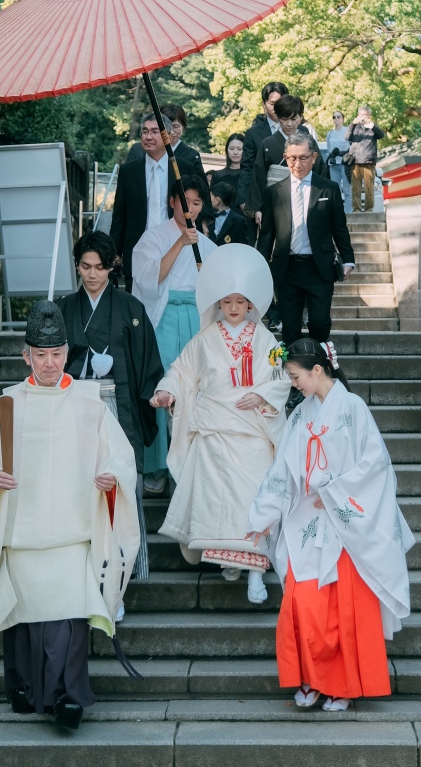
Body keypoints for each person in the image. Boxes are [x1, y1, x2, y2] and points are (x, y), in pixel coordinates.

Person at [0, 301, 139, 729]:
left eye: (56, 354)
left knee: (68, 622)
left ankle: (67, 699)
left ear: (67, 351)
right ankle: (27, 690)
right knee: (25, 620)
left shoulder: (90, 402)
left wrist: (111, 479)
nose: (50, 363)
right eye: (41, 355)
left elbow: (119, 458)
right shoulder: (6, 407)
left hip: (73, 534)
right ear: (26, 356)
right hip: (23, 533)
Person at [247, 338, 414, 712]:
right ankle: (309, 678)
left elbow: (376, 465)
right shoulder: (300, 415)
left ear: (317, 370)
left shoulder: (352, 408)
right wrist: (263, 516)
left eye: (296, 376)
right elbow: (282, 472)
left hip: (344, 525)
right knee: (302, 604)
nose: (294, 384)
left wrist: (337, 493)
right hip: (308, 518)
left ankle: (340, 685)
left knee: (341, 609)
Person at [150, 245, 291, 604]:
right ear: (217, 303)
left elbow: (281, 374)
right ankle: (227, 559)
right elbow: (181, 371)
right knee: (218, 502)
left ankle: (255, 572)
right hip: (215, 428)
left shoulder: (267, 339)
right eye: (226, 301)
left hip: (253, 429)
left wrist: (263, 396)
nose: (232, 308)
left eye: (240, 302)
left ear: (250, 305)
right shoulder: (204, 338)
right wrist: (168, 391)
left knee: (254, 500)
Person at [56, 230, 164, 580]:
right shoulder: (64, 308)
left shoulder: (130, 307)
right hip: (76, 405)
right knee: (80, 483)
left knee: (120, 480)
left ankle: (126, 568)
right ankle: (85, 569)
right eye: (85, 267)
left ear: (111, 268)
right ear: (77, 267)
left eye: (99, 268)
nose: (92, 274)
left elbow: (147, 360)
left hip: (118, 404)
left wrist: (154, 393)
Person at [132, 175, 217, 494]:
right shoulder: (154, 238)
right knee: (163, 386)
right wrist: (180, 242)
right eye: (185, 202)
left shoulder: (207, 246)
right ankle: (157, 466)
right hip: (164, 317)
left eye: (197, 203)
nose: (191, 209)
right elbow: (148, 279)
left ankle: (193, 464)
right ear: (172, 202)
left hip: (197, 319)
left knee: (196, 389)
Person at [257, 131, 355, 346]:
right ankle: (295, 376)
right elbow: (267, 234)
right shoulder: (275, 192)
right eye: (292, 158)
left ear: (314, 157)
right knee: (290, 327)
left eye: (303, 158)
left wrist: (348, 259)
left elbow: (339, 227)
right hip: (286, 268)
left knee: (320, 323)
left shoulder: (328, 188)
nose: (297, 164)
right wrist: (259, 267)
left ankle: (319, 367)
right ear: (285, 157)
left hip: (319, 267)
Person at [110, 111, 206, 292]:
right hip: (139, 248)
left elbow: (196, 207)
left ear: (168, 137)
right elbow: (120, 215)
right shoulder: (129, 171)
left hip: (176, 243)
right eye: (144, 132)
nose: (148, 136)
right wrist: (114, 251)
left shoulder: (184, 168)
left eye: (155, 131)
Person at [246, 95, 328, 224]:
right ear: (278, 118)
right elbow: (259, 176)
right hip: (275, 200)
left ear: (300, 118)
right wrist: (257, 208)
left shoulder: (309, 142)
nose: (289, 124)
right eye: (284, 119)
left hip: (305, 198)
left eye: (293, 119)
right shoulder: (268, 144)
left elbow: (319, 170)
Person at [237, 82, 289, 219]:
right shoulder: (253, 134)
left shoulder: (300, 130)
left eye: (280, 103)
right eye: (272, 104)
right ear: (264, 104)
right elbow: (247, 168)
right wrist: (244, 200)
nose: (277, 108)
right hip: (263, 198)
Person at [126, 104, 205, 177]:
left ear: (183, 127)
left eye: (175, 126)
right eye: (165, 126)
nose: (171, 131)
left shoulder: (191, 156)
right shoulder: (138, 150)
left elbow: (200, 187)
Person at [345, 106, 385, 213]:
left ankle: (369, 209)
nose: (363, 117)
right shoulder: (355, 127)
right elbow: (347, 136)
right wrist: (352, 124)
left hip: (369, 160)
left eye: (365, 115)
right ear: (358, 115)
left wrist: (373, 126)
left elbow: (381, 135)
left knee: (369, 188)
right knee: (355, 188)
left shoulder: (372, 127)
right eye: (361, 115)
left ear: (369, 116)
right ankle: (356, 209)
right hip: (355, 160)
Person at [207, 132, 246, 203]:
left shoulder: (251, 174)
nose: (235, 152)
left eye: (239, 149)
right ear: (227, 150)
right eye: (231, 148)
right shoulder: (217, 175)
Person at [208, 180, 249, 245]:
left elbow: (243, 245)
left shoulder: (239, 221)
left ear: (217, 200)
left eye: (210, 197)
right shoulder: (208, 217)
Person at [325, 111, 352, 212]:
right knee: (335, 190)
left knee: (347, 190)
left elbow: (351, 148)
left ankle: (348, 212)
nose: (336, 119)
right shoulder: (330, 133)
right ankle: (337, 212)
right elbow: (328, 149)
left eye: (338, 117)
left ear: (342, 119)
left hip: (344, 163)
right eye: (334, 117)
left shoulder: (347, 132)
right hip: (333, 164)